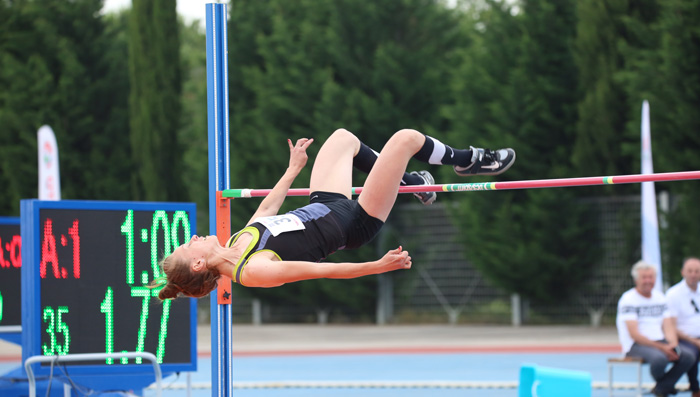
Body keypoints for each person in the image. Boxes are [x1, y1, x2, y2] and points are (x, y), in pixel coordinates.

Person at [154, 128, 515, 298]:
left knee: (343, 138)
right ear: (199, 265)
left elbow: (267, 209)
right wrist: (376, 267)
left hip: (326, 203)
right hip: (355, 223)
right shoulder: (253, 270)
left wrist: (294, 168)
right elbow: (323, 271)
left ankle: (411, 182)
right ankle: (470, 161)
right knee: (405, 139)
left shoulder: (236, 242)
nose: (193, 239)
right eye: (188, 247)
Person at [616, 260, 695, 397]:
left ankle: (662, 388)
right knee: (660, 359)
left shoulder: (659, 297)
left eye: (650, 277)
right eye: (644, 277)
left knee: (687, 356)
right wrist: (662, 348)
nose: (648, 281)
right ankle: (665, 387)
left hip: (660, 341)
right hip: (636, 345)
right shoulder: (628, 299)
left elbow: (668, 325)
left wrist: (672, 344)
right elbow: (634, 334)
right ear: (636, 280)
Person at [666, 257, 700, 397]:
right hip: (683, 338)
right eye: (690, 271)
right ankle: (695, 389)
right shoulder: (673, 294)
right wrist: (694, 341)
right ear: (683, 272)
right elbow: (671, 326)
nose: (693, 274)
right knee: (692, 353)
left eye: (697, 271)